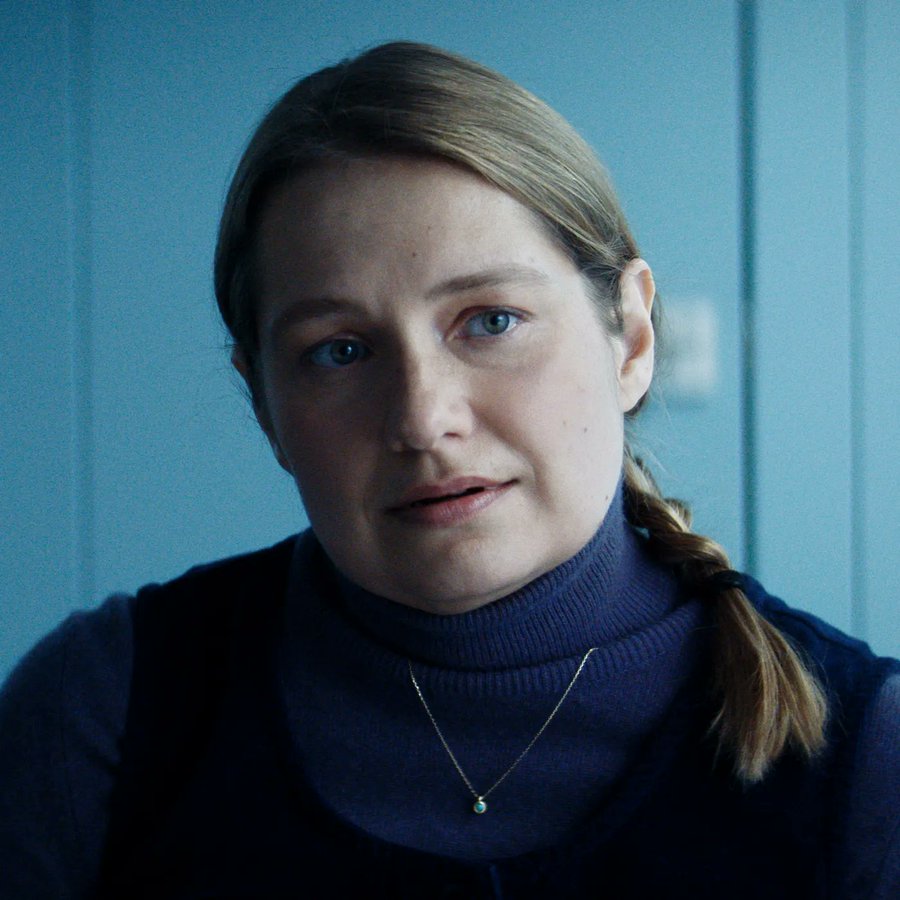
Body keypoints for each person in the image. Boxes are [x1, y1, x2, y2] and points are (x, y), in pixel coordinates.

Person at [0, 41, 897, 899]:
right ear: (265, 404)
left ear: (630, 336)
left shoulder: (866, 757)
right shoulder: (101, 709)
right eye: (340, 351)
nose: (424, 419)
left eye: (491, 321)